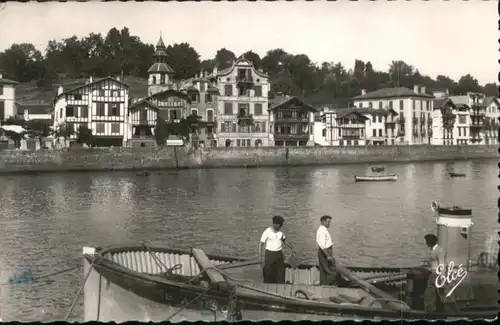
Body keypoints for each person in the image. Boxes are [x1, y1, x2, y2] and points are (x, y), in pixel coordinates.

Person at [259, 215, 286, 284]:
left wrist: (292, 248)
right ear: (275, 224)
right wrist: (260, 257)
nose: (281, 227)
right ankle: (268, 287)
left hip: (279, 254)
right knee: (268, 273)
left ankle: (281, 287)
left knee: (281, 274)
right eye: (280, 225)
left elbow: (284, 241)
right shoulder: (267, 232)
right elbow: (261, 244)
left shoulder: (281, 233)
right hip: (269, 255)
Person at [422, 233, 446, 312]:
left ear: (429, 242)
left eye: (426, 242)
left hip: (437, 274)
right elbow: (434, 261)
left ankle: (431, 311)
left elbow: (441, 264)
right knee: (430, 293)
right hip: (433, 274)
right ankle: (431, 309)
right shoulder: (434, 250)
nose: (426, 244)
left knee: (430, 294)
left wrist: (442, 277)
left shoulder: (439, 250)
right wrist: (427, 262)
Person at [316, 215, 339, 285]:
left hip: (325, 252)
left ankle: (324, 286)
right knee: (331, 271)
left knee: (324, 271)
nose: (329, 224)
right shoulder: (322, 231)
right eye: (328, 222)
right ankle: (328, 286)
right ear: (323, 222)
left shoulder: (323, 230)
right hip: (325, 252)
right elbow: (322, 246)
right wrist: (328, 256)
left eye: (330, 222)